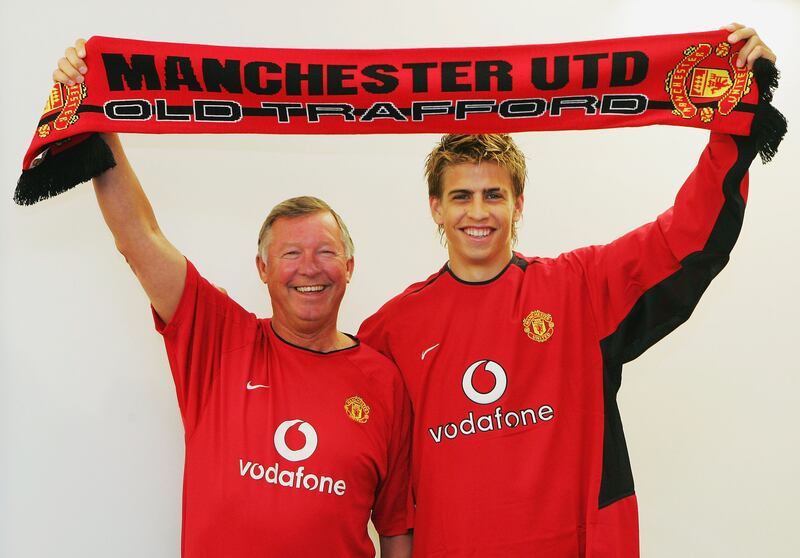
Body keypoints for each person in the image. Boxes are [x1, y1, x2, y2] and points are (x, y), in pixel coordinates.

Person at [358, 24, 777, 557]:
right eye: (461, 196)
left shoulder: (579, 290)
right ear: (436, 208)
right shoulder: (392, 329)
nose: (479, 212)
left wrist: (734, 120)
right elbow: (334, 422)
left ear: (519, 203)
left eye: (495, 194)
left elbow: (685, 240)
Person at [53, 41, 413, 558]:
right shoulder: (217, 338)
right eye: (290, 253)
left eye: (325, 252)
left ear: (350, 268)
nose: (309, 268)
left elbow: (397, 525)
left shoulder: (384, 381)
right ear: (262, 269)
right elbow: (139, 237)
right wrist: (93, 109)